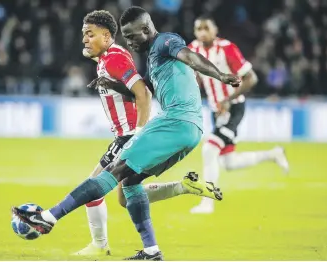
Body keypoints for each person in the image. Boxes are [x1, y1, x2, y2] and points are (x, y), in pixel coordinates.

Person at [12, 6, 239, 260]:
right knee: (129, 184)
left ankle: (48, 217)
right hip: (188, 129)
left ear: (146, 29)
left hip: (175, 122)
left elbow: (190, 56)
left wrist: (220, 75)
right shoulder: (155, 58)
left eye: (131, 36)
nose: (129, 42)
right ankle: (152, 251)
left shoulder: (166, 41)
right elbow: (143, 89)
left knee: (113, 172)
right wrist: (112, 85)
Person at [71, 10, 223, 256]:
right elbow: (136, 87)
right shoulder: (109, 57)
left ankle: (98, 245)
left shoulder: (117, 57)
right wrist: (107, 78)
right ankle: (183, 188)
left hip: (128, 134)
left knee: (94, 187)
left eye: (90, 34)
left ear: (106, 36)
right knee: (124, 196)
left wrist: (137, 132)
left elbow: (143, 93)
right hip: (130, 132)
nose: (85, 40)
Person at [187, 16, 290, 214]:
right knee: (229, 163)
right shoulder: (193, 49)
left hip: (233, 108)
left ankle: (207, 203)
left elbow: (251, 78)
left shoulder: (227, 48)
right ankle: (273, 154)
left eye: (206, 28)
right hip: (217, 111)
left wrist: (228, 99)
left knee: (209, 149)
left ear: (215, 29)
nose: (202, 32)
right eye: (198, 28)